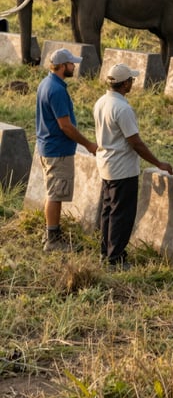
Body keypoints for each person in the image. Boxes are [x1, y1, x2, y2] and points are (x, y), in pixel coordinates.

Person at [93, 63, 173, 268]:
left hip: (106, 165)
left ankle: (106, 252)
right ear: (125, 83)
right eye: (132, 80)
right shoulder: (123, 108)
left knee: (108, 211)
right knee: (122, 214)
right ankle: (116, 258)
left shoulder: (101, 101)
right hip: (122, 169)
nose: (132, 84)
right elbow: (135, 142)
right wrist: (158, 163)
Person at [35, 47, 97, 251]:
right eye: (71, 64)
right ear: (62, 66)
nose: (74, 66)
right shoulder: (57, 90)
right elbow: (66, 125)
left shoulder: (46, 83)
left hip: (47, 146)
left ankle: (51, 235)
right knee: (55, 194)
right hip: (58, 150)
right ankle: (52, 240)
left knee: (54, 192)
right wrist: (88, 144)